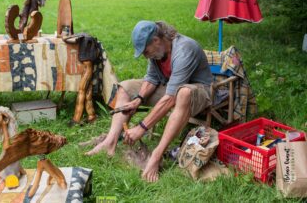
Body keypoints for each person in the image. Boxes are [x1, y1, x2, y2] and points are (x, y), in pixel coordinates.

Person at [85, 20, 213, 182]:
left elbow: (170, 98)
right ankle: (110, 142)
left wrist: (141, 127)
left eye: (145, 51)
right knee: (125, 87)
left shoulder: (184, 49)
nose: (145, 56)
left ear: (156, 40)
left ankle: (156, 156)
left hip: (200, 93)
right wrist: (138, 99)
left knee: (183, 93)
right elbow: (152, 79)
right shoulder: (157, 53)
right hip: (172, 89)